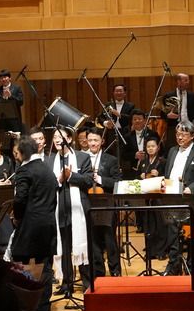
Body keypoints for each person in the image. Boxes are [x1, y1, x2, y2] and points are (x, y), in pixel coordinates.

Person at [10, 136, 58, 311]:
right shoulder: (47, 169)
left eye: (17, 153)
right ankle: (43, 305)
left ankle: (26, 304)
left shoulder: (25, 170)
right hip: (48, 223)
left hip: (30, 225)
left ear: (23, 153)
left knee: (21, 263)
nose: (16, 156)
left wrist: (17, 217)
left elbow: (20, 199)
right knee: (45, 264)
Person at [159, 121, 194, 275]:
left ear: (192, 136)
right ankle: (173, 266)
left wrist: (191, 188)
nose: (180, 137)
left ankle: (191, 267)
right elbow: (168, 173)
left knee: (192, 236)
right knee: (172, 233)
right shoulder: (172, 151)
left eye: (184, 134)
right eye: (178, 134)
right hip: (173, 198)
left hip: (192, 200)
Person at [49, 126, 93, 293]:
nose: (57, 140)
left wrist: (72, 176)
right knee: (65, 246)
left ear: (69, 139)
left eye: (60, 137)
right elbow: (47, 185)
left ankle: (87, 282)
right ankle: (66, 284)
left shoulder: (82, 157)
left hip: (78, 208)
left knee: (82, 244)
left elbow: (88, 181)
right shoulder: (49, 160)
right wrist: (59, 180)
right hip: (59, 209)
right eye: (54, 137)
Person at [86, 128, 123, 278]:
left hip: (106, 203)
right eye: (90, 140)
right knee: (93, 238)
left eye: (95, 140)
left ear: (102, 141)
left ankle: (115, 271)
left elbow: (117, 181)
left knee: (109, 238)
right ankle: (98, 272)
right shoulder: (82, 158)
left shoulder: (111, 160)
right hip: (89, 202)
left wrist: (100, 179)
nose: (92, 143)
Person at [123, 109, 159, 179]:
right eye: (135, 119)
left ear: (145, 121)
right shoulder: (128, 137)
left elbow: (161, 151)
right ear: (132, 121)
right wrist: (134, 155)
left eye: (139, 119)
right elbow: (123, 154)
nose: (137, 121)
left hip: (151, 171)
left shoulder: (153, 134)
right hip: (133, 170)